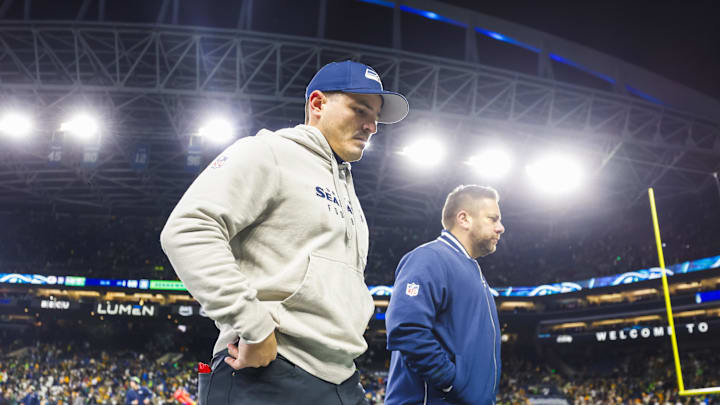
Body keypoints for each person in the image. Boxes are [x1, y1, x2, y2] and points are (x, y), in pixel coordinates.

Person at [160, 60, 409, 404]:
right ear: (318, 104)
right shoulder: (268, 152)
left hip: (341, 378)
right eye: (359, 110)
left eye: (376, 117)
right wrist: (255, 326)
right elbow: (188, 229)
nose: (372, 126)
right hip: (271, 374)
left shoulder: (346, 185)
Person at [385, 185, 505, 404]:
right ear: (464, 219)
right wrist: (452, 383)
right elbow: (406, 329)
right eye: (493, 219)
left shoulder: (472, 269)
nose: (501, 228)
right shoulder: (429, 258)